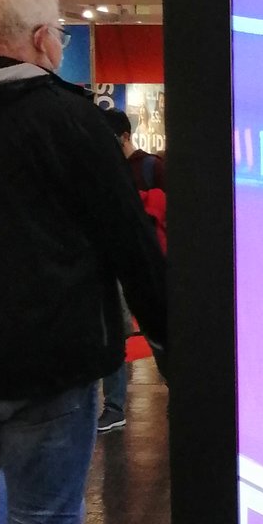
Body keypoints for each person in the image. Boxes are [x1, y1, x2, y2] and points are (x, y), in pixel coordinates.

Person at [0, 0, 166, 524]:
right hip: (48, 363)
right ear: (38, 41)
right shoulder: (68, 120)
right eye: (58, 30)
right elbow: (128, 240)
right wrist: (173, 339)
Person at [96, 106, 166, 431]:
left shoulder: (151, 167)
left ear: (124, 136)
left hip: (147, 264)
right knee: (115, 332)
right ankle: (114, 406)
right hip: (114, 265)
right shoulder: (104, 170)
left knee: (158, 335)